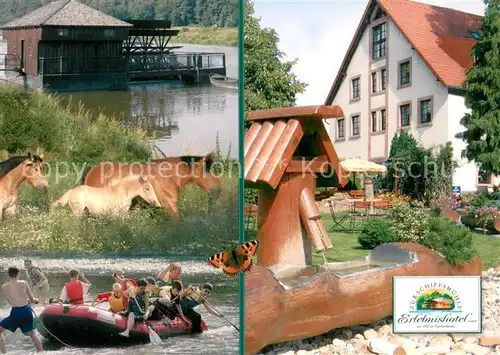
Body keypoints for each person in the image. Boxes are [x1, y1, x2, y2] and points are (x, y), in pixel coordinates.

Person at [0, 267, 43, 353]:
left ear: (9, 274)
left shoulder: (4, 287)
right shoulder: (24, 283)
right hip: (25, 310)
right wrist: (36, 300)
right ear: (18, 274)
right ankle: (40, 351)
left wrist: (22, 301)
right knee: (32, 334)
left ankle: (4, 352)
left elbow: (11, 302)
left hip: (15, 312)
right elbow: (31, 300)